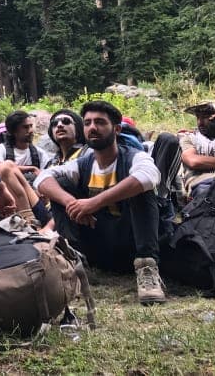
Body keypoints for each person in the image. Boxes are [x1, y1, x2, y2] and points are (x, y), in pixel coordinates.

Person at [35, 100, 166, 304]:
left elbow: (149, 176)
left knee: (141, 187)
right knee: (59, 185)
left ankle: (147, 269)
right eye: (87, 123)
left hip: (133, 241)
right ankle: (75, 261)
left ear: (116, 129)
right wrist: (73, 203)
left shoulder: (134, 157)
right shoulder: (82, 163)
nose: (92, 128)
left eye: (100, 122)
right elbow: (42, 179)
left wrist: (93, 203)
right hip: (99, 243)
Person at [0, 110, 55, 183]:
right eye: (25, 127)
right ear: (13, 131)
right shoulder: (1, 149)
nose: (31, 130)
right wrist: (31, 169)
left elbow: (48, 176)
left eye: (31, 126)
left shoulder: (39, 153)